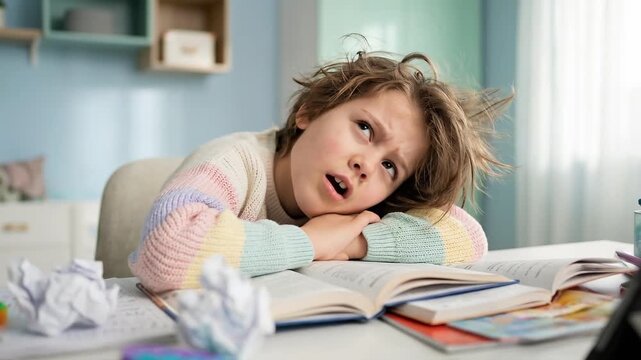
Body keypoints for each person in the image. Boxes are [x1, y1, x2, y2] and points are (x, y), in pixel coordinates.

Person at [129, 50, 513, 292]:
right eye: (364, 128)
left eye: (390, 166)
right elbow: (167, 248)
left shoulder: (360, 211)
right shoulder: (233, 161)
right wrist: (311, 242)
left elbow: (468, 237)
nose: (366, 165)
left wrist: (352, 242)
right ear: (309, 111)